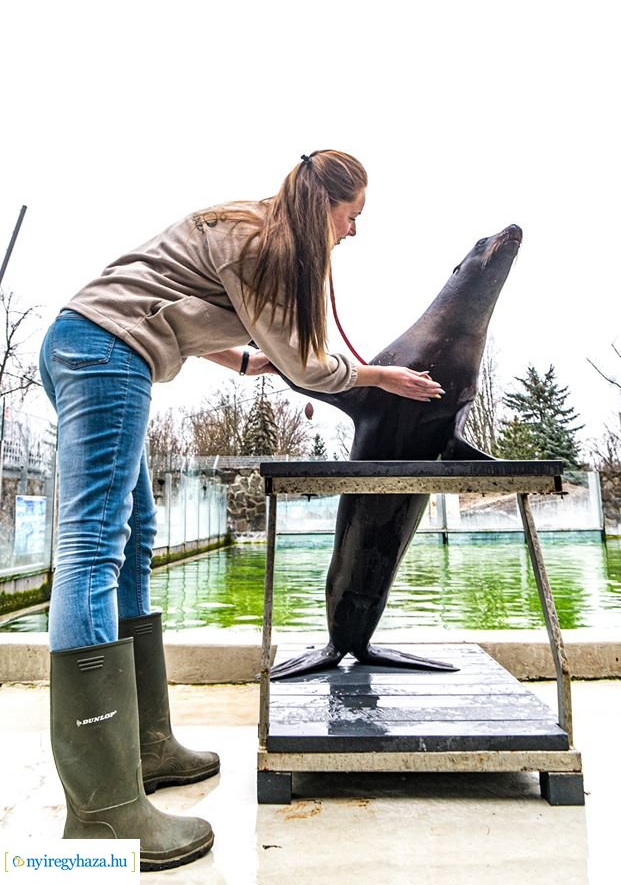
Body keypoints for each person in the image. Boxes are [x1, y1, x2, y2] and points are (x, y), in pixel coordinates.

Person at [38, 150, 445, 870]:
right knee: (94, 545)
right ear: (329, 204)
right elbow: (310, 367)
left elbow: (171, 297)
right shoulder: (264, 243)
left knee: (132, 544)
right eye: (353, 217)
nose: (353, 233)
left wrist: (237, 360)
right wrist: (382, 377)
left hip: (99, 343)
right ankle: (102, 811)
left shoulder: (247, 227)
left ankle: (146, 748)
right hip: (106, 353)